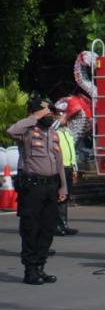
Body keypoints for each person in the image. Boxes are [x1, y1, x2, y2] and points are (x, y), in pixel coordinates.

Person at [8, 97, 68, 284]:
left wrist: (63, 186)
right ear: (35, 112)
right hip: (33, 187)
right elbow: (11, 130)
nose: (50, 115)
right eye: (46, 111)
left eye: (51, 112)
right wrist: (34, 117)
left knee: (47, 228)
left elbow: (59, 163)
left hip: (51, 186)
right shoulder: (27, 132)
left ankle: (41, 266)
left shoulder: (52, 133)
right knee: (31, 228)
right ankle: (30, 269)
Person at [53, 101, 79, 236]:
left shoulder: (67, 132)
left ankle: (63, 224)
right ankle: (57, 226)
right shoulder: (53, 131)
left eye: (64, 116)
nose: (63, 118)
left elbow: (72, 151)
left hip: (68, 167)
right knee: (59, 197)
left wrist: (75, 168)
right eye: (60, 116)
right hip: (59, 168)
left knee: (66, 197)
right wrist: (58, 120)